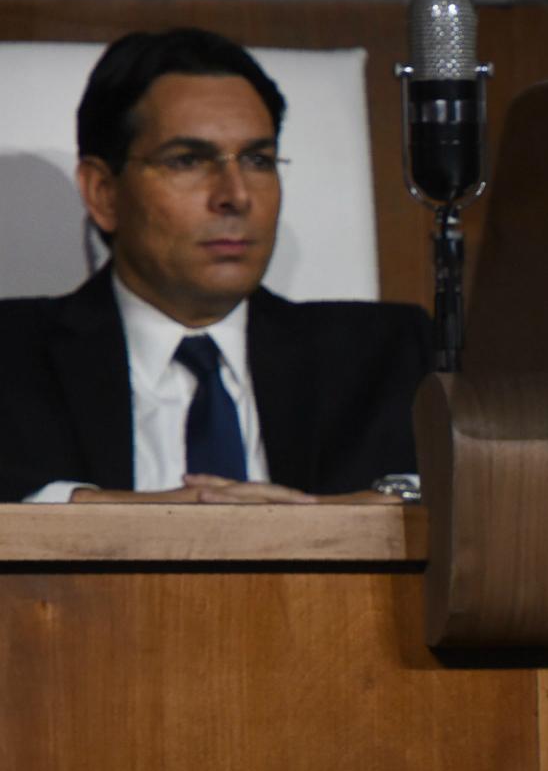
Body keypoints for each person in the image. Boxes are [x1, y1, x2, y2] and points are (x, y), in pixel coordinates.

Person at [0, 28, 431, 505]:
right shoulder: (14, 357)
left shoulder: (385, 356)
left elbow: (471, 498)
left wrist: (339, 520)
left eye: (257, 159)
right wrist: (107, 518)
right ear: (104, 192)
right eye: (187, 160)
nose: (236, 195)